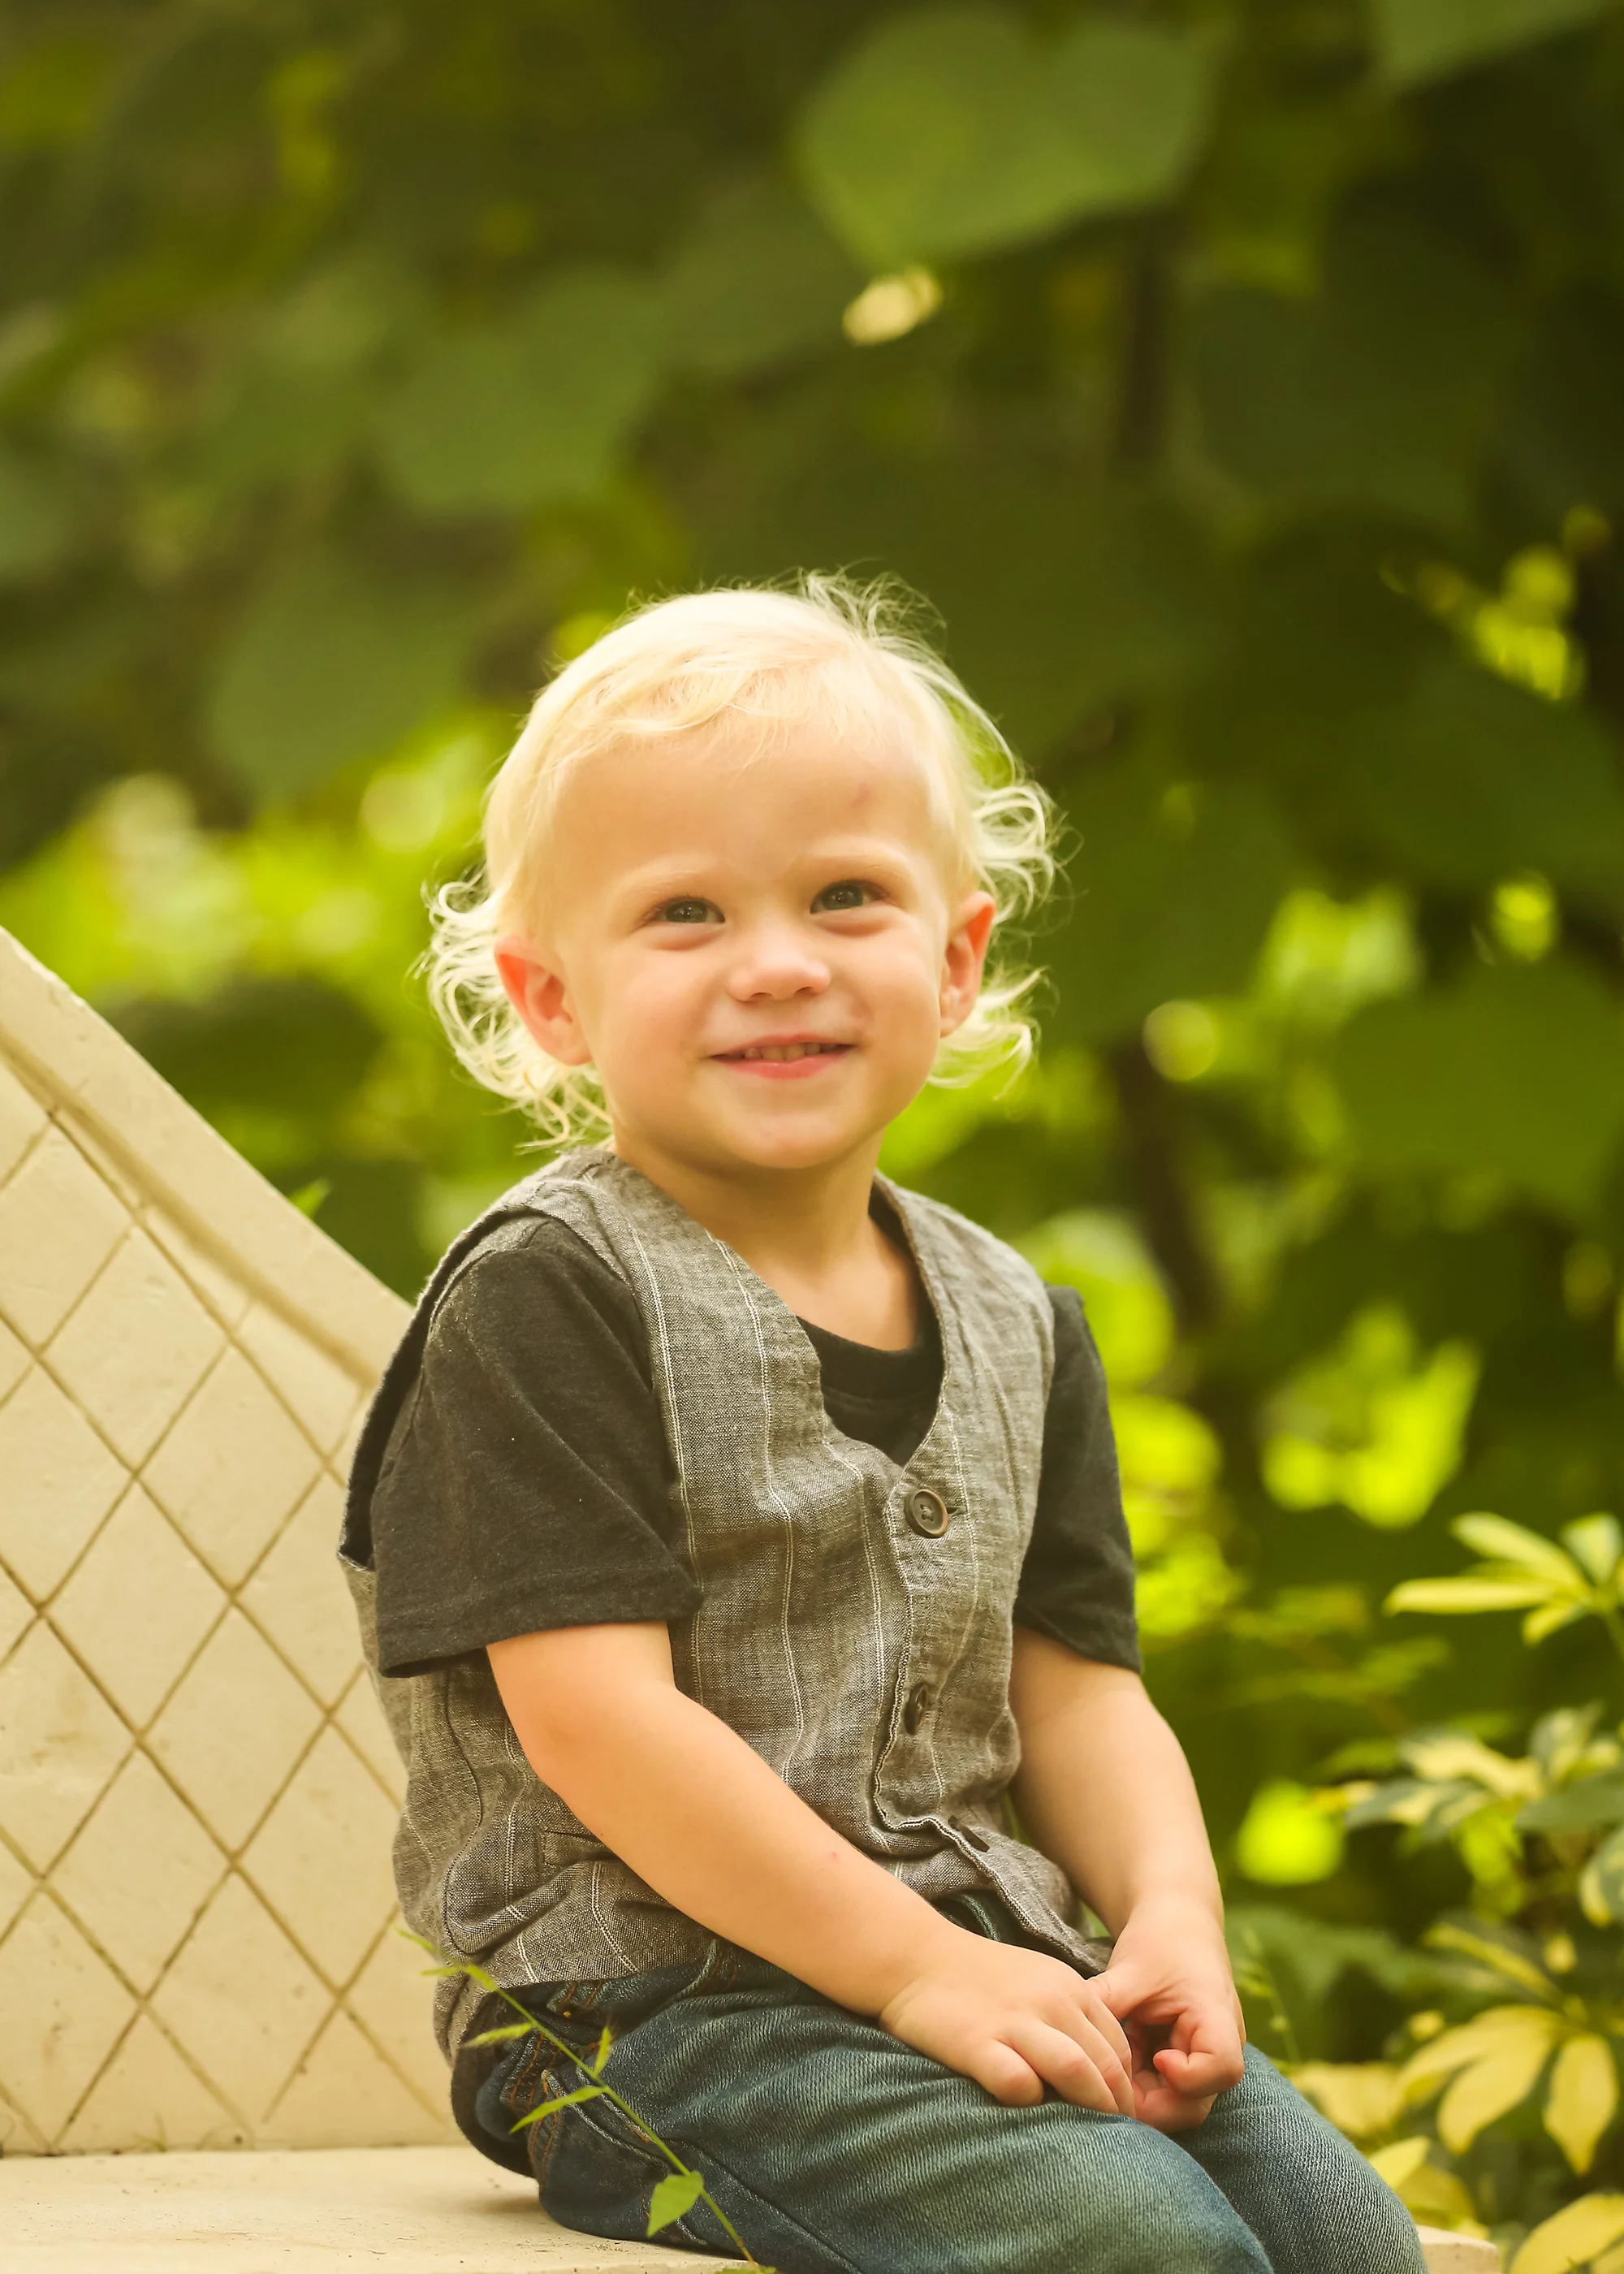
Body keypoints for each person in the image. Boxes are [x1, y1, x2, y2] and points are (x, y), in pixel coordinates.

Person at [340, 581, 1423, 2274]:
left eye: (845, 895)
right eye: (685, 912)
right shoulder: (549, 1296)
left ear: (955, 955)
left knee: (1351, 2243)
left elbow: (1079, 1691)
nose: (779, 962)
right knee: (1139, 2246)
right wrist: (915, 1967)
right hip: (651, 2010)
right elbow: (601, 1724)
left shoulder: (1014, 1317)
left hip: (986, 1953)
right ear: (551, 999)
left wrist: (1169, 1917)